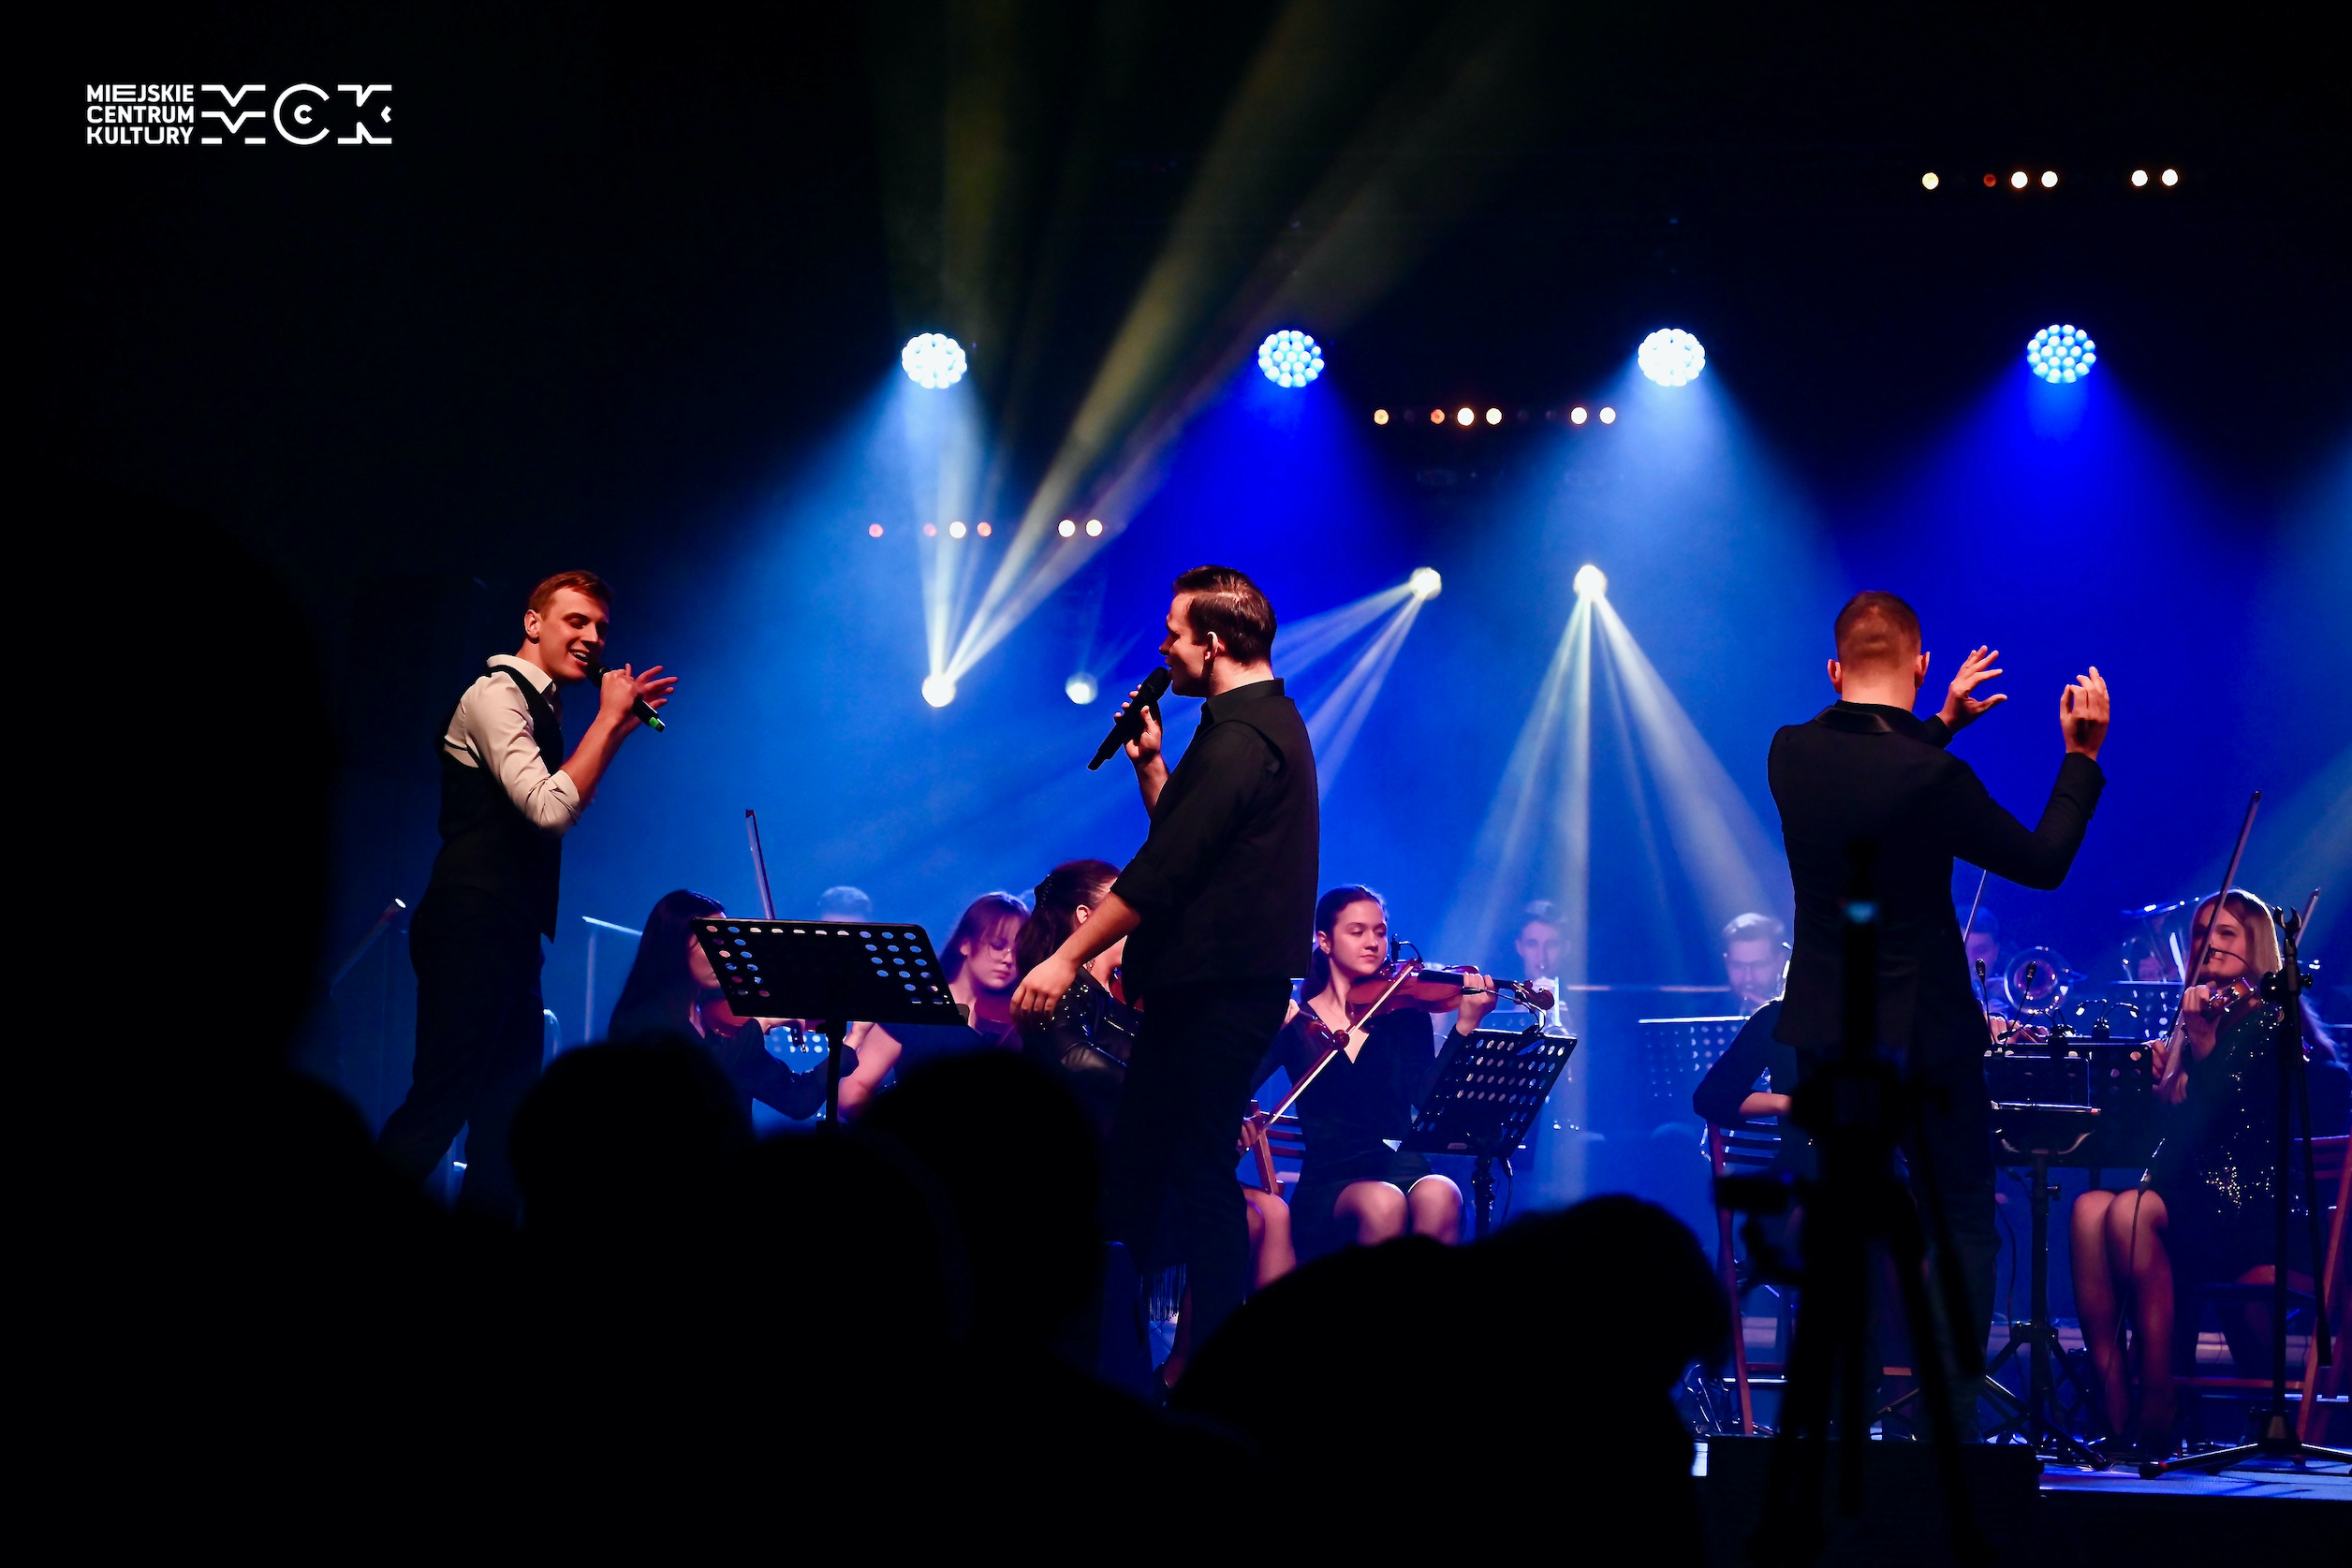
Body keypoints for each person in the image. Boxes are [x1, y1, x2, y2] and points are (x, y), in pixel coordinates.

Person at [1768, 595, 2108, 1429]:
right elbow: (2043, 860)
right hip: (1928, 1035)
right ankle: (1946, 1423)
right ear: (1922, 667)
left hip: (1829, 1035)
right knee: (1960, 1223)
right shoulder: (1933, 778)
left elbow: (1868, 767)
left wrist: (1940, 724)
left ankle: (1837, 1418)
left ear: (1833, 670)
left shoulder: (1789, 753)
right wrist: (2080, 756)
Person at [1012, 564, 1319, 1356]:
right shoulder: (1247, 728)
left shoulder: (1244, 737)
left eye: (1173, 635)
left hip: (1218, 993)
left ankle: (1203, 1362)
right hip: (1201, 990)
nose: (1163, 649)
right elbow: (1196, 848)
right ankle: (1115, 1349)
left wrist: (1065, 957)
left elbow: (1162, 874)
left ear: (1211, 644)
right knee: (1142, 1173)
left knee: (1199, 1175)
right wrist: (1152, 766)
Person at [378, 570, 676, 1220]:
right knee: (442, 1102)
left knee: (506, 1122)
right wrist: (608, 718)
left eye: (601, 627)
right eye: (577, 621)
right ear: (533, 623)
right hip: (470, 921)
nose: (593, 638)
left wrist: (617, 729)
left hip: (510, 930)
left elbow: (563, 801)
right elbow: (548, 810)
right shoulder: (496, 694)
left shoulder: (543, 706)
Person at [2068, 891, 2332, 1457]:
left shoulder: (2272, 1023)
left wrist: (2204, 1046)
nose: (2209, 944)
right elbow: (2167, 1141)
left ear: (2254, 946)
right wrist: (2153, 1082)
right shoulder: (2192, 1022)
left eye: (2226, 934)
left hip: (2249, 1207)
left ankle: (2161, 1393)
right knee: (2089, 1211)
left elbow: (2229, 1120)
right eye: (2200, 934)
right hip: (2189, 1197)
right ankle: (2115, 1406)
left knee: (2131, 1210)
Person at [1255, 886, 1489, 1259]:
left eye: (1379, 932)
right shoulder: (1297, 1021)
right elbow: (1237, 1086)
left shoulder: (1405, 1013)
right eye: (1357, 931)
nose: (1372, 943)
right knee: (1383, 1201)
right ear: (1325, 942)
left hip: (1403, 1165)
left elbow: (1425, 1098)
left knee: (1442, 1192)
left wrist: (1464, 1027)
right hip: (1332, 1178)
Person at [603, 889, 834, 1121]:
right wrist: (760, 1023)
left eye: (725, 941)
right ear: (675, 947)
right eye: (711, 942)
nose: (725, 953)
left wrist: (847, 1049)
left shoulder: (721, 1022)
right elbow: (698, 1084)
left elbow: (796, 1100)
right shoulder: (641, 1021)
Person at [943, 892, 1029, 1044]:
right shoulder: (920, 1004)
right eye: (997, 946)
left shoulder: (1017, 1021)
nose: (1009, 959)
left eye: (1018, 952)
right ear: (965, 944)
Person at [1720, 911, 1788, 1017]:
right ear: (1726, 962)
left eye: (1758, 965)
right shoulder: (1702, 1012)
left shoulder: (1801, 1010)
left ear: (1780, 962)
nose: (1748, 978)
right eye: (1738, 965)